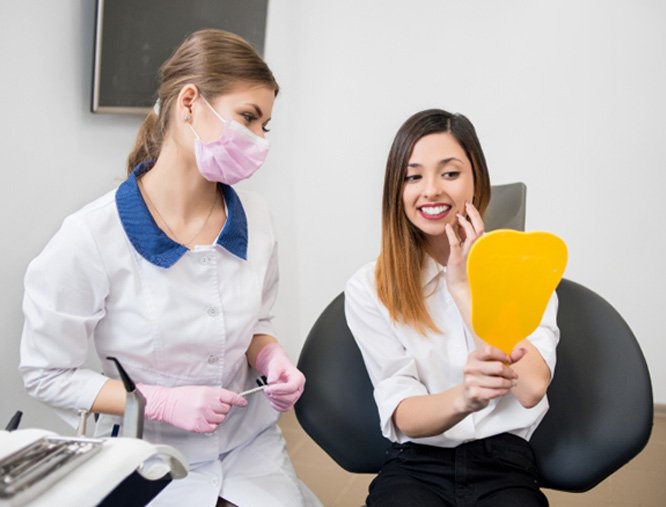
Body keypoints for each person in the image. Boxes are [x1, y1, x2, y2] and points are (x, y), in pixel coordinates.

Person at [20, 29, 320, 507]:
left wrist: (271, 359)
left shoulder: (257, 218)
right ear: (188, 103)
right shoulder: (91, 237)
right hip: (145, 451)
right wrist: (155, 401)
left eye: (265, 125)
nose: (260, 140)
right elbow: (47, 373)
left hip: (248, 448)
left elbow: (255, 324)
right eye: (248, 117)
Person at [344, 109, 558, 506]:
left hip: (505, 463)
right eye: (413, 176)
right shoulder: (370, 287)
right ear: (397, 190)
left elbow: (530, 388)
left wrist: (464, 288)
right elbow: (403, 412)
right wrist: (465, 397)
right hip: (416, 463)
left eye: (450, 173)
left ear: (476, 179)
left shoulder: (526, 270)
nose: (430, 191)